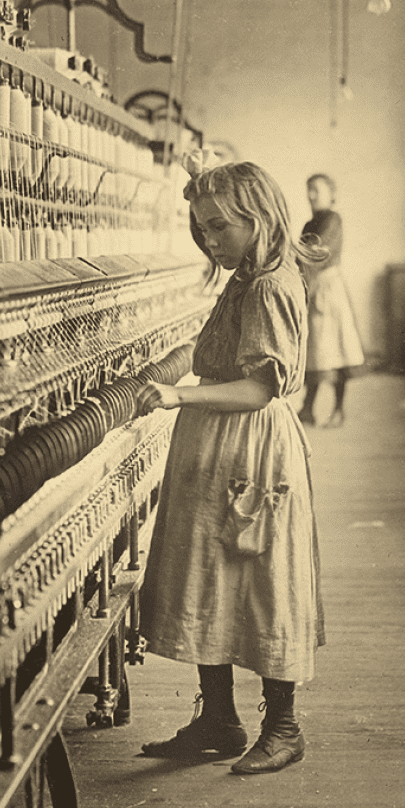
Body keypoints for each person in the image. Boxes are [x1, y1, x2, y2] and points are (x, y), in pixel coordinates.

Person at [135, 156, 326, 775]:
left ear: (259, 218)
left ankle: (284, 726)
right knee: (208, 575)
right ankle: (218, 721)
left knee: (263, 580)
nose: (209, 240)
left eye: (220, 227)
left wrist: (176, 393)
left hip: (249, 447)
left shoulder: (270, 284)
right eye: (201, 228)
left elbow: (258, 389)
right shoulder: (246, 276)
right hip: (218, 446)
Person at [298, 173, 365, 427]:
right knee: (315, 351)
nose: (311, 195)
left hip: (329, 290)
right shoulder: (308, 224)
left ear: (331, 194)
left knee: (338, 350)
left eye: (317, 190)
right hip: (314, 288)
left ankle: (338, 409)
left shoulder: (332, 220)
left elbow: (318, 252)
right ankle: (308, 407)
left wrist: (296, 257)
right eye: (309, 190)